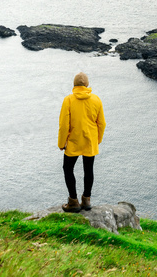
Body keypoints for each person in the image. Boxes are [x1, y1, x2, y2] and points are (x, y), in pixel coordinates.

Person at [58, 71, 105, 212]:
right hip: (90, 141)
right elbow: (102, 123)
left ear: (74, 84)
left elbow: (64, 125)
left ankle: (73, 201)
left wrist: (61, 143)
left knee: (68, 169)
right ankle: (86, 200)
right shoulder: (96, 99)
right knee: (88, 170)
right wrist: (97, 140)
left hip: (73, 141)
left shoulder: (68, 100)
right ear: (87, 84)